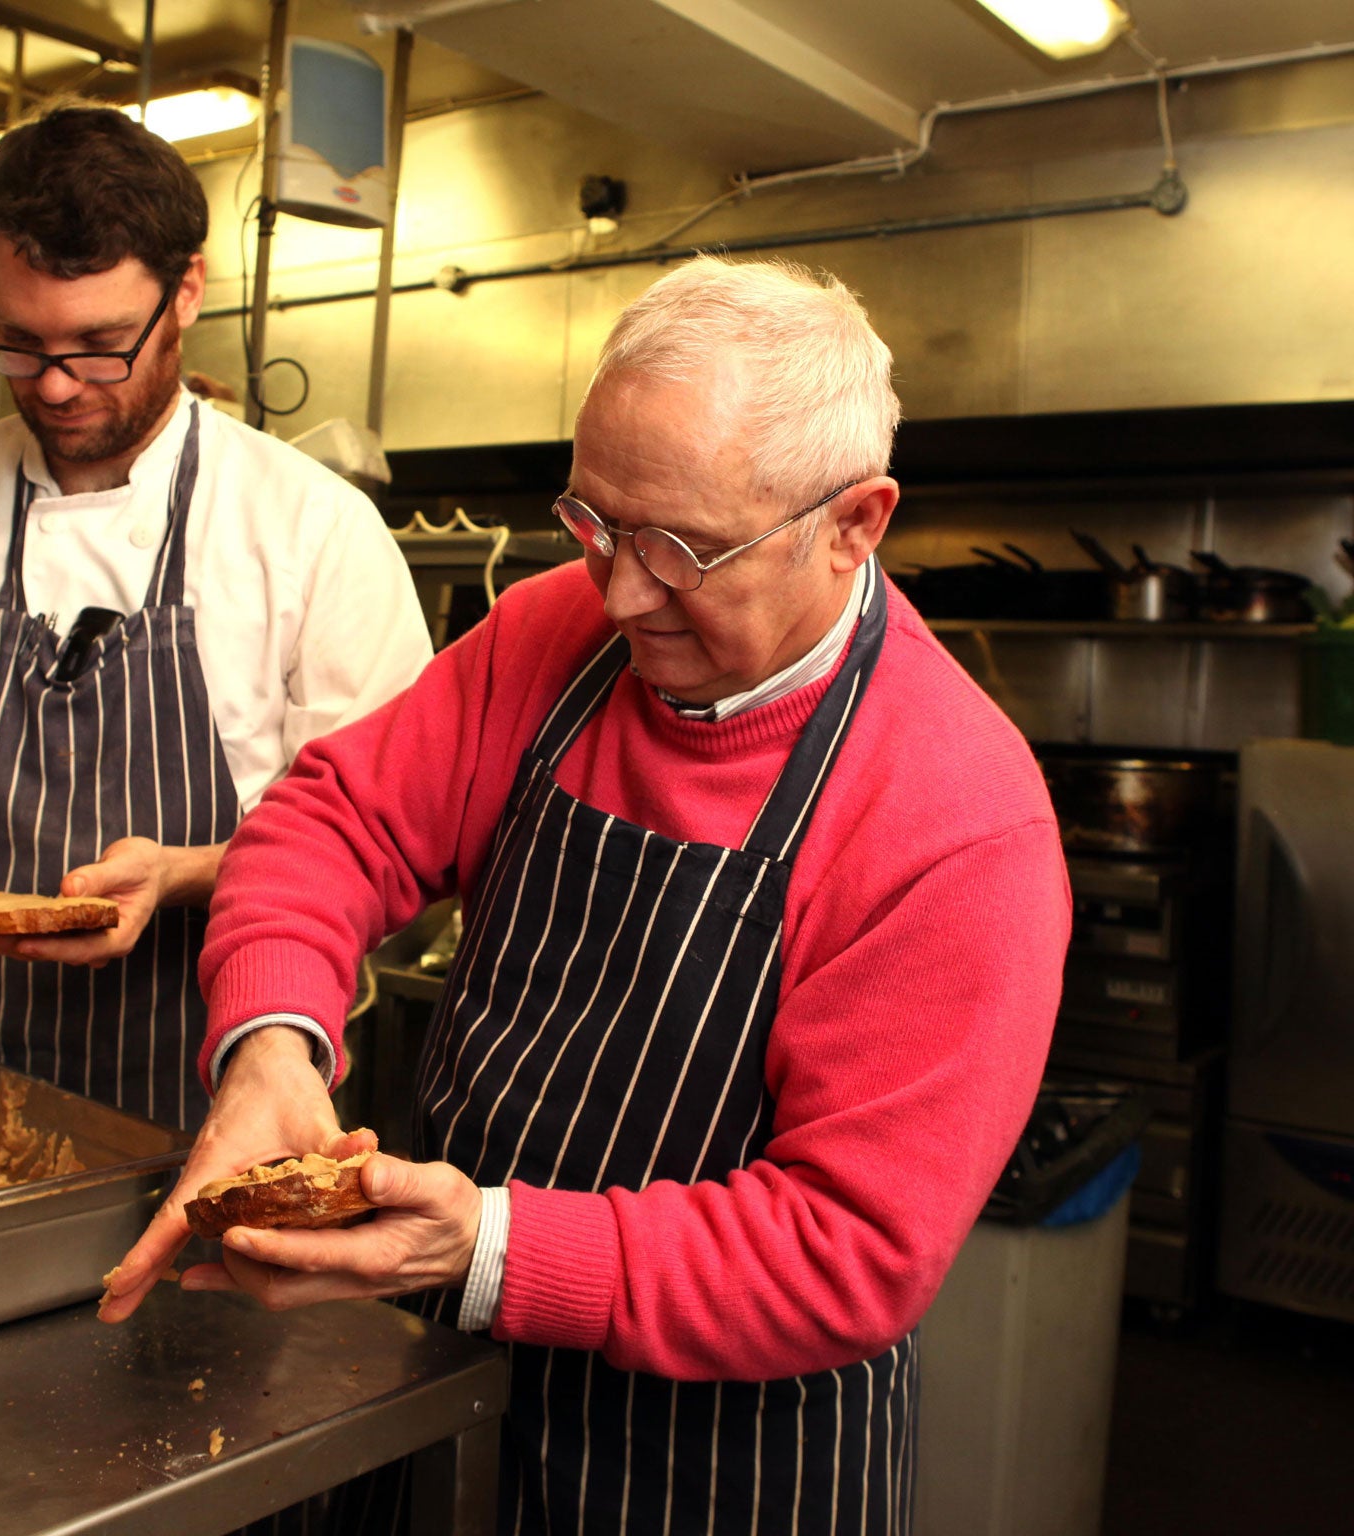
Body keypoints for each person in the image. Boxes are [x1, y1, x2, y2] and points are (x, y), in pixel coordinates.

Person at [102, 256, 1071, 1534]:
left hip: (729, 1461)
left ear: (854, 523)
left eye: (679, 549)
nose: (618, 592)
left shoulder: (955, 819)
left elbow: (847, 1250)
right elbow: (331, 821)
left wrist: (489, 1250)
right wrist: (270, 1041)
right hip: (446, 1385)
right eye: (595, 522)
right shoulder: (553, 633)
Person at [0, 104, 431, 1129]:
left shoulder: (311, 529)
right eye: (18, 346)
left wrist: (189, 875)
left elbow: (389, 843)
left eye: (101, 345)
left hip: (217, 1110)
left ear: (187, 289)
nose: (57, 385)